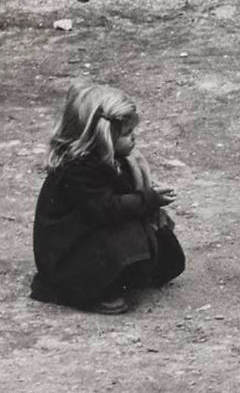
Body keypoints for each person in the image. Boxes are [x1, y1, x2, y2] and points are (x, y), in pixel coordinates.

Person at [30, 82, 185, 314]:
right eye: (126, 134)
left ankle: (124, 277)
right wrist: (147, 199)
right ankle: (85, 292)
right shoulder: (79, 169)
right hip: (69, 255)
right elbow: (107, 208)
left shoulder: (110, 159)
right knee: (128, 238)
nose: (134, 139)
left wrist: (145, 194)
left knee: (159, 243)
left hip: (91, 233)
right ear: (102, 137)